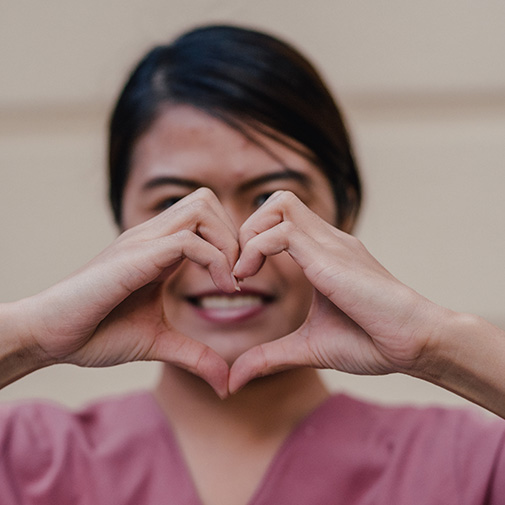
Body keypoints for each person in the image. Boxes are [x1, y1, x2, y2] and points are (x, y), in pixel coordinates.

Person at [1, 24, 505, 505]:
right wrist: (31, 336)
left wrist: (437, 344)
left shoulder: (469, 466)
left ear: (343, 216)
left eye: (270, 199)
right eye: (173, 203)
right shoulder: (24, 460)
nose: (231, 250)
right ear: (123, 229)